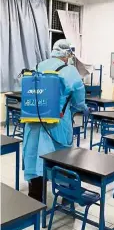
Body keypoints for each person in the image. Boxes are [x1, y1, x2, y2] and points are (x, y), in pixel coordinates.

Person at [23, 39, 88, 202]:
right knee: (63, 158)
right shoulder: (70, 70)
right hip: (57, 125)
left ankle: (35, 197)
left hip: (34, 122)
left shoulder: (39, 66)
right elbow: (79, 99)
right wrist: (82, 108)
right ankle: (67, 195)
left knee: (34, 156)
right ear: (67, 54)